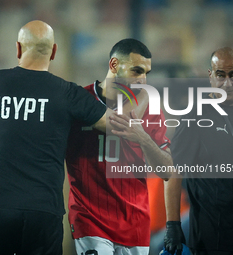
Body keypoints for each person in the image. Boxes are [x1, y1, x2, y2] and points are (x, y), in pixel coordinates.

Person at [0, 21, 147, 255]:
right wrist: (144, 98)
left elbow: (17, 132)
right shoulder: (67, 93)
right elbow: (120, 127)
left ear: (18, 49)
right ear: (53, 52)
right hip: (43, 213)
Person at [65, 39, 173, 255]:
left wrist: (143, 137)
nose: (142, 79)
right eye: (136, 70)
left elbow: (167, 170)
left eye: (146, 73)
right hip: (90, 220)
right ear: (114, 65)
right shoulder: (79, 101)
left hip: (135, 222)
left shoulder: (151, 108)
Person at [163, 47, 233, 255]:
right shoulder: (195, 117)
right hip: (211, 237)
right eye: (220, 75)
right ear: (211, 76)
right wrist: (173, 226)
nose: (227, 83)